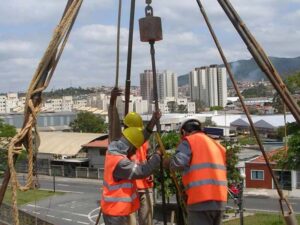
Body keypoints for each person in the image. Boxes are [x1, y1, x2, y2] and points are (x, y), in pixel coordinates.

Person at [164, 118, 227, 225]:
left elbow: (178, 163)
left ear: (183, 132)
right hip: (219, 200)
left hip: (200, 199)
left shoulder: (189, 141)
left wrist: (167, 162)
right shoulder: (217, 145)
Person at [101, 126, 161, 225]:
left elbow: (141, 138)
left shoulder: (113, 150)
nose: (134, 152)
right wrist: (158, 155)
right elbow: (142, 171)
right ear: (129, 146)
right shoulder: (121, 163)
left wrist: (153, 121)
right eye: (134, 149)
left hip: (115, 210)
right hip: (116, 212)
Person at [124, 112, 155, 225]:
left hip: (145, 185)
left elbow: (149, 155)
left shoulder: (144, 139)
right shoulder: (122, 141)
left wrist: (151, 170)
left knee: (147, 220)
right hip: (129, 187)